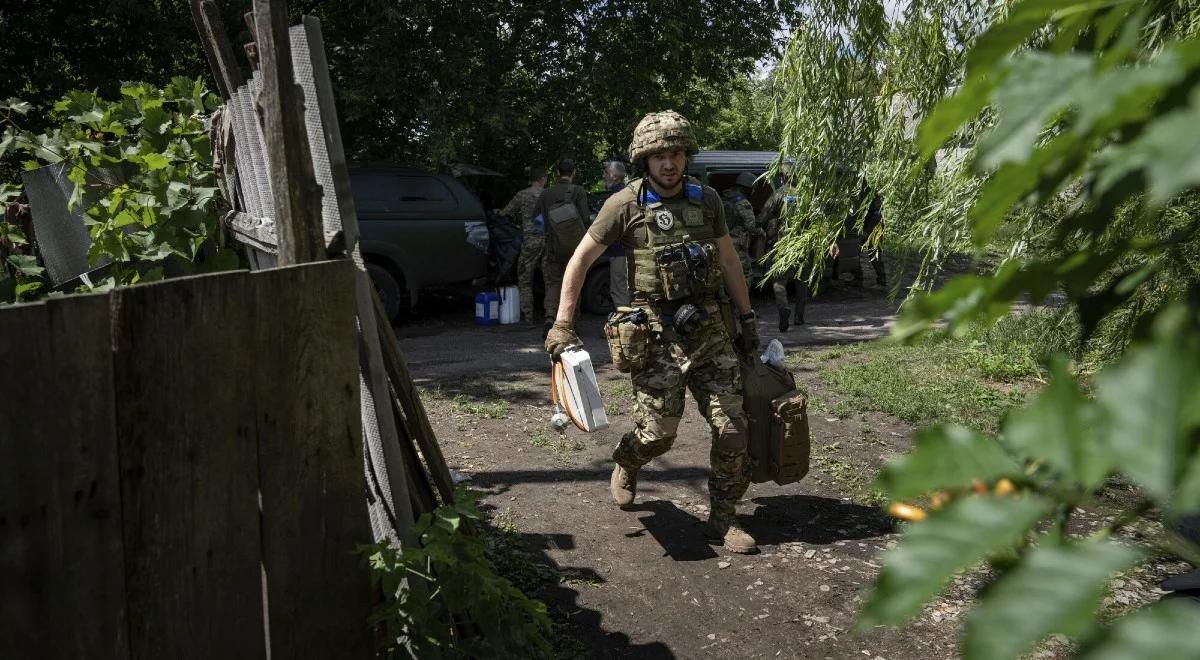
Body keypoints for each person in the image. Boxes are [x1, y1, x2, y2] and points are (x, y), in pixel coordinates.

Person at [544, 110, 762, 554]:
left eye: (677, 153)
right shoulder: (624, 204)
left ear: (686, 156)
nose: (669, 163)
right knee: (659, 433)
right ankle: (628, 459)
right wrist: (563, 324)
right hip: (655, 334)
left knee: (732, 427)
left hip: (708, 330)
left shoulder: (707, 201)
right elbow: (580, 260)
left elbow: (728, 262)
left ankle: (724, 517)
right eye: (660, 155)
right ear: (645, 159)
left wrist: (748, 318)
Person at [535, 159, 590, 333]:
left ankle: (550, 317)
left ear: (557, 172)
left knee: (552, 283)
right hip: (574, 247)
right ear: (573, 172)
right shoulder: (578, 191)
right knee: (574, 281)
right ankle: (571, 322)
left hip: (552, 246)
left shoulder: (545, 194)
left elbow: (537, 220)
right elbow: (586, 219)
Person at [499, 166, 547, 325]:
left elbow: (505, 213)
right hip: (549, 242)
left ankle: (528, 318)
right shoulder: (549, 195)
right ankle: (552, 317)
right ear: (543, 179)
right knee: (552, 280)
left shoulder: (522, 195)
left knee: (525, 279)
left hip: (530, 243)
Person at [720, 172, 763, 283]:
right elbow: (751, 227)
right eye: (753, 189)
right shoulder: (743, 203)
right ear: (748, 187)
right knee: (746, 276)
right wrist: (761, 231)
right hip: (737, 246)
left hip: (722, 243)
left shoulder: (724, 198)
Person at [603, 161, 631, 308]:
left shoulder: (614, 197)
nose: (603, 176)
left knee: (619, 293)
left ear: (613, 176)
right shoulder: (628, 193)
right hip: (625, 250)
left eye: (606, 173)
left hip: (619, 252)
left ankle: (625, 326)